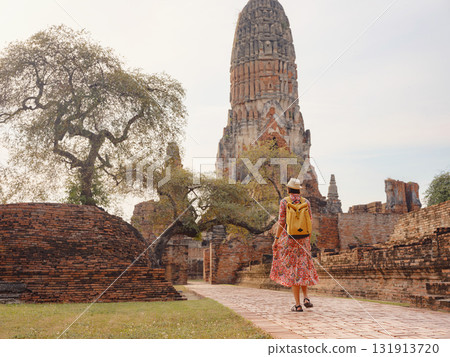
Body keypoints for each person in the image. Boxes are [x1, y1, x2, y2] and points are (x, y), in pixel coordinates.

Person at [269, 178, 319, 312]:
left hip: (289, 239)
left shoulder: (285, 202)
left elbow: (281, 222)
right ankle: (306, 298)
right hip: (304, 239)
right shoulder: (306, 202)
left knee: (294, 272)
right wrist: (306, 237)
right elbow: (310, 221)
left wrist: (276, 239)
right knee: (303, 267)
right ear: (299, 190)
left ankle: (297, 305)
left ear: (288, 189)